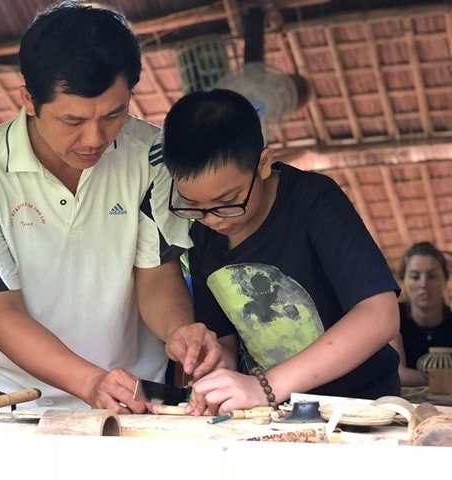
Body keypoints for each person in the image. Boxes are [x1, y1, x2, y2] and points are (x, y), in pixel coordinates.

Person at [0, 1, 223, 413]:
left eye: (114, 114)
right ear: (29, 100)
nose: (94, 138)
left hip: (137, 399)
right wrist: (90, 382)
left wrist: (179, 331)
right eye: (72, 121)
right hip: (19, 401)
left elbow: (157, 273)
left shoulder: (152, 156)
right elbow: (3, 311)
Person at [160, 88, 401, 415]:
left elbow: (380, 315)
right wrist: (213, 366)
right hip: (271, 416)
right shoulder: (202, 235)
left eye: (228, 201)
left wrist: (266, 386)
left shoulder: (313, 201)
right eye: (194, 205)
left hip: (360, 408)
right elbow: (227, 341)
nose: (213, 219)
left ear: (263, 163)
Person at [391, 241, 452, 387]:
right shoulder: (392, 318)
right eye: (415, 276)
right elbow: (396, 374)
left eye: (432, 276)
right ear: (403, 281)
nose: (423, 284)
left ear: (445, 279)